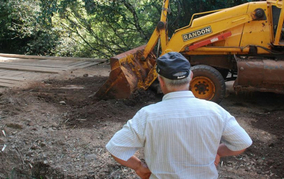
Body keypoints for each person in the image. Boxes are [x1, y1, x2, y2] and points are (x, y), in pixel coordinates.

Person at [105, 52, 252, 179]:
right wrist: (217, 151)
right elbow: (242, 143)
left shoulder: (147, 115)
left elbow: (116, 148)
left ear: (161, 81)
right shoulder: (216, 111)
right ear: (191, 76)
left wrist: (139, 167)